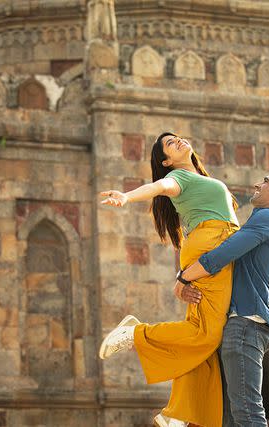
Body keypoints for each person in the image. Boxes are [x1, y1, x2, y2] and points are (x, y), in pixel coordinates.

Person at [98, 132, 239, 427]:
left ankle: (178, 413)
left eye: (178, 138)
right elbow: (160, 186)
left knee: (204, 335)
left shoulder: (199, 177)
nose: (178, 141)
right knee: (207, 335)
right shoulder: (179, 178)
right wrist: (127, 196)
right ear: (166, 161)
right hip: (212, 245)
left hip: (215, 246)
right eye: (169, 144)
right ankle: (135, 335)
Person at [174, 167, 269, 426]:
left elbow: (224, 253)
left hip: (245, 322)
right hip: (237, 324)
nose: (258, 184)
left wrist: (184, 277)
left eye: (266, 181)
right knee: (228, 417)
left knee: (246, 411)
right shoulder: (263, 219)